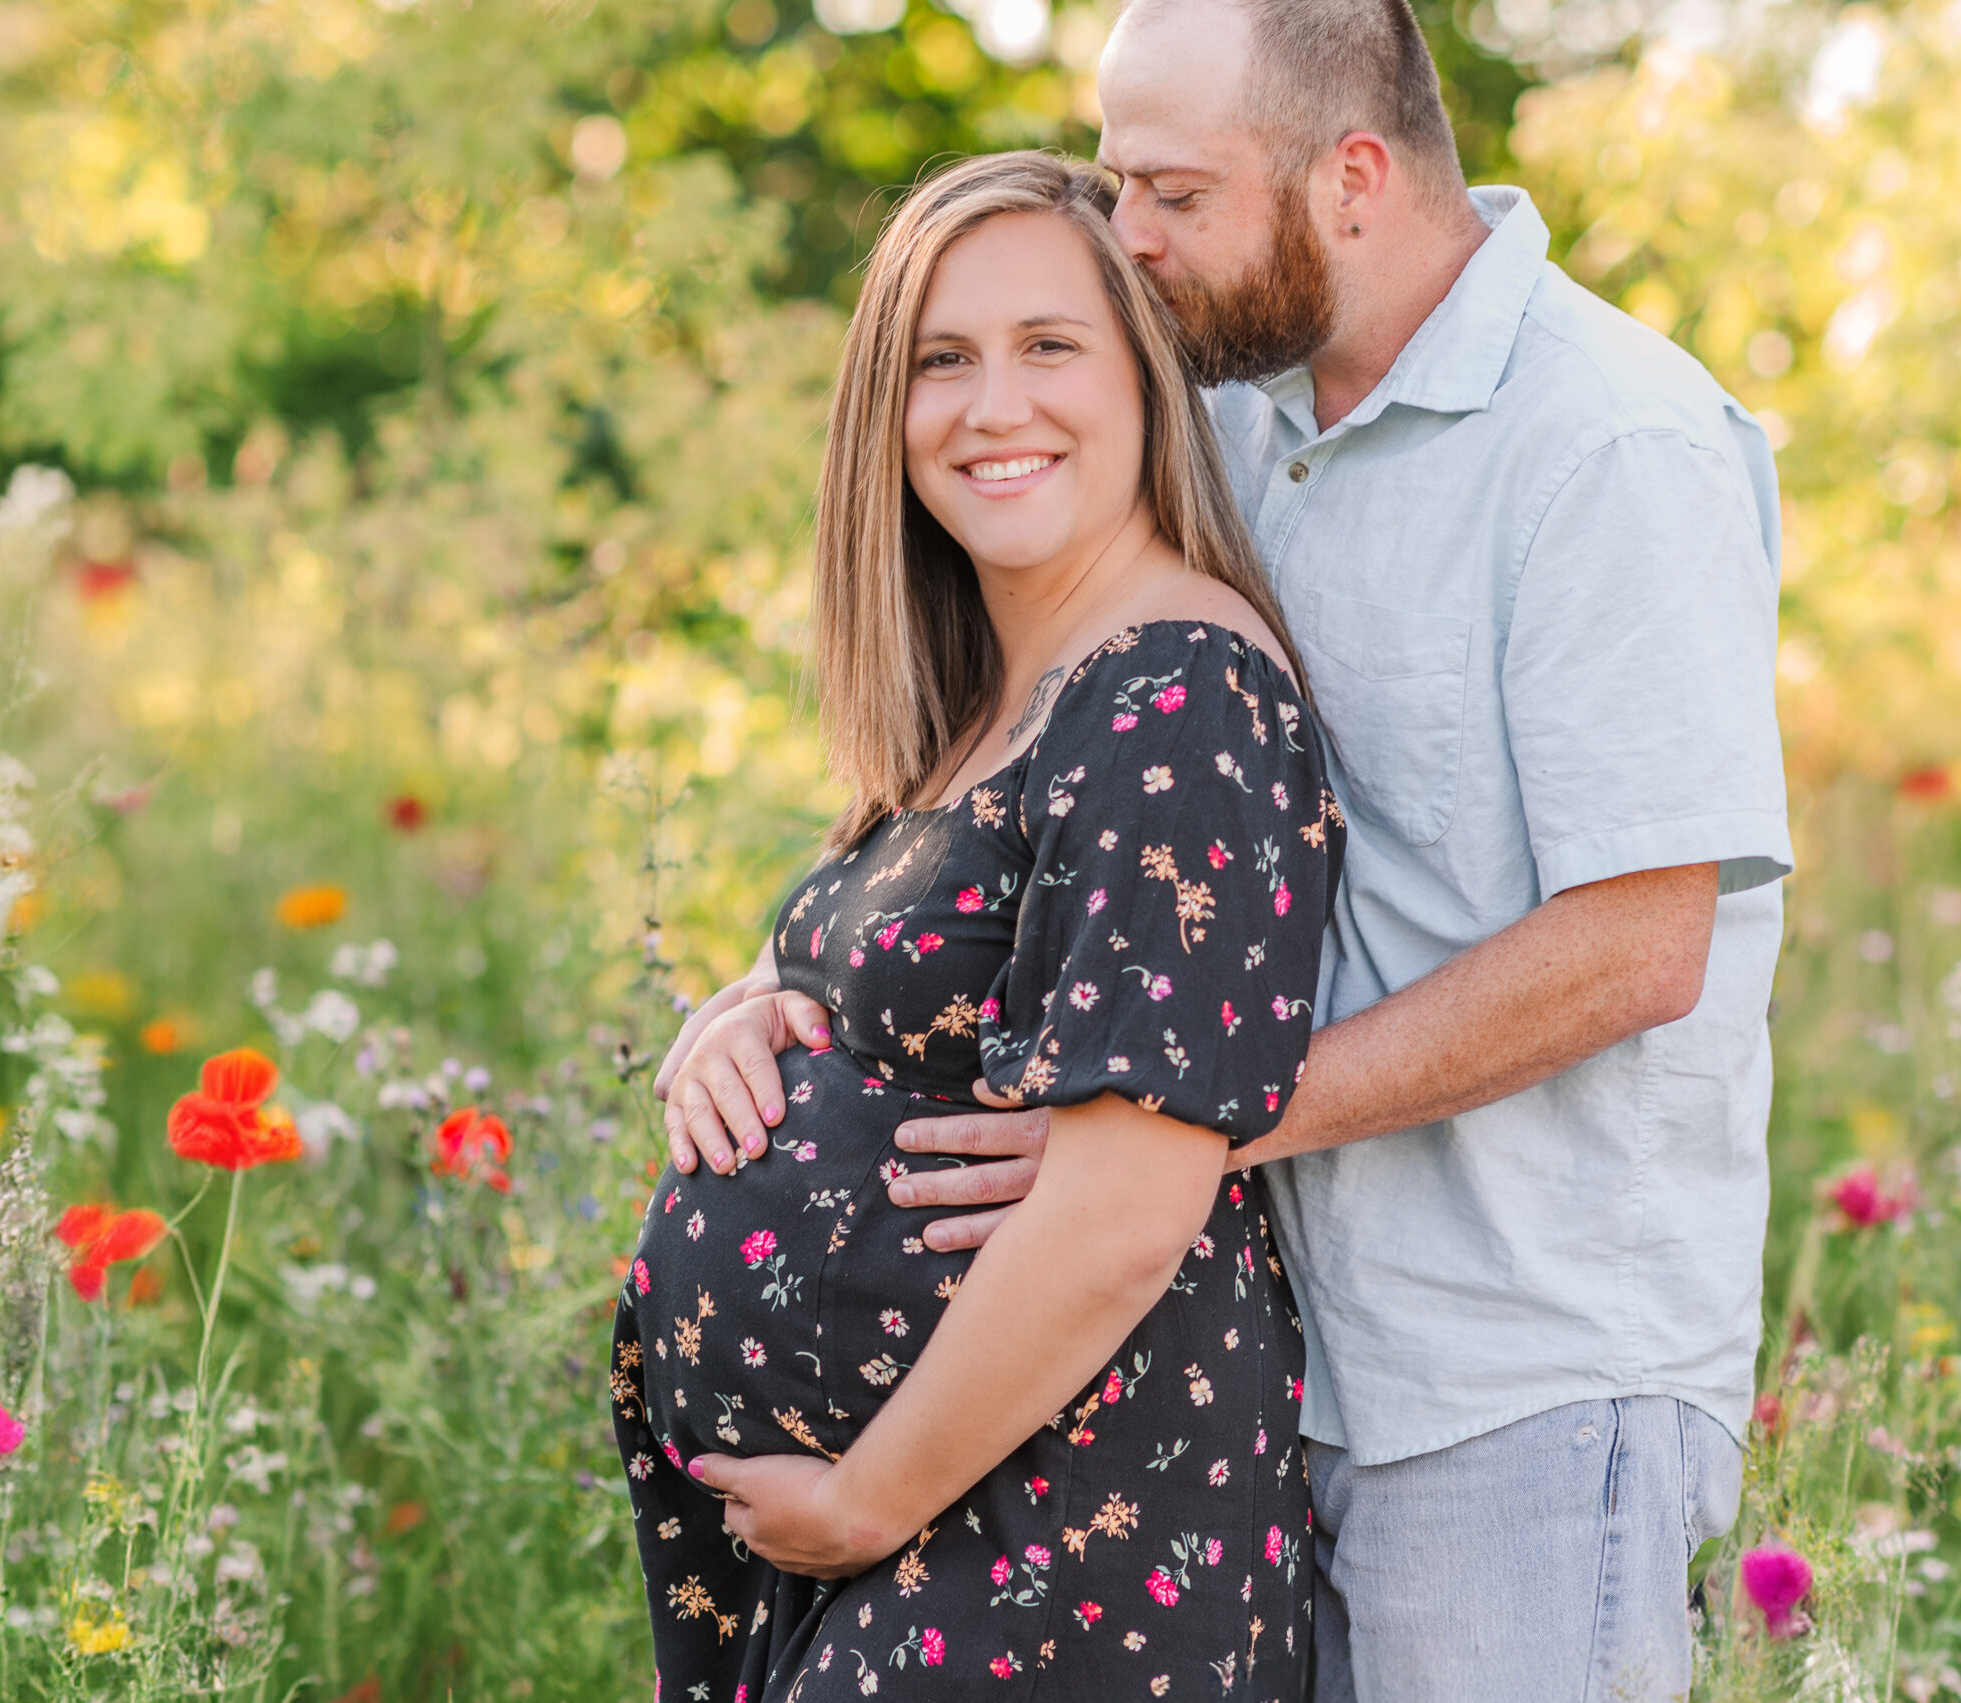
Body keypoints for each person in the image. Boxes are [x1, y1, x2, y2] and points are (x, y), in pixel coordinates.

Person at [660, 0, 1793, 1695]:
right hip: (1279, 1356)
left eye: (1173, 194)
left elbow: (1640, 947)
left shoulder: (1607, 440)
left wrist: (1167, 1127)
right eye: (1119, 184)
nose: (1131, 241)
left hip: (1517, 1380)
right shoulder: (1244, 421)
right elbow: (1028, 768)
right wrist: (773, 984)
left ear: (1350, 178)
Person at [612, 150, 1342, 1703]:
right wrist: (750, 1007)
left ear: (1147, 382)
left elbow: (1126, 1205)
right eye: (940, 361)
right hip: (924, 1543)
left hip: (1050, 1555)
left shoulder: (1174, 691)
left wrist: (869, 1496)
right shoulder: (991, 706)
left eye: (1048, 347)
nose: (991, 407)